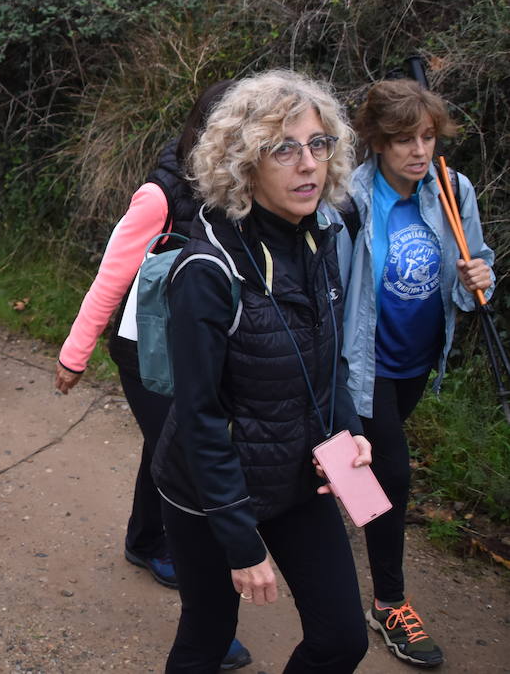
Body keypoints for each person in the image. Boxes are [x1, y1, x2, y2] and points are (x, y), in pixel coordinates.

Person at [152, 71, 369, 673]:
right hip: (209, 491)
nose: (308, 164)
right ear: (245, 165)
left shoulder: (317, 238)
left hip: (298, 475)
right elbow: (199, 420)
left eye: (318, 144)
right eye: (284, 148)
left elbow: (328, 363)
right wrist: (240, 540)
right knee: (209, 633)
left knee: (342, 639)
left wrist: (347, 428)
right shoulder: (207, 271)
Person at [54, 81, 252, 671]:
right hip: (147, 356)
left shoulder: (246, 188)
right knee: (193, 457)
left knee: (170, 448)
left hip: (205, 352)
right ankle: (208, 622)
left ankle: (144, 541)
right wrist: (74, 353)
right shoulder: (161, 195)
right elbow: (111, 275)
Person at [341, 79, 495, 669]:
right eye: (404, 138)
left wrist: (480, 279)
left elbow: (472, 268)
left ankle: (324, 510)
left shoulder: (453, 190)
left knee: (355, 466)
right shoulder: (350, 200)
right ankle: (390, 602)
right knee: (392, 474)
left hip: (416, 361)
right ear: (378, 142)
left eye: (427, 137)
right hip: (363, 362)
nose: (418, 150)